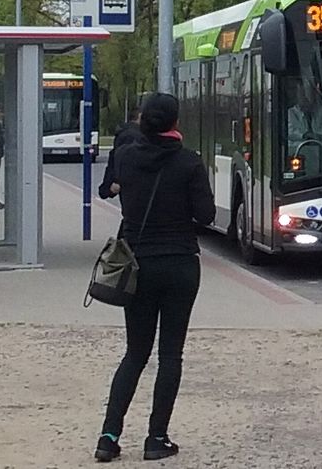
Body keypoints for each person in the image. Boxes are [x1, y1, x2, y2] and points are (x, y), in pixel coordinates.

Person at [95, 92, 215, 463]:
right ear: (176, 122)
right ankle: (156, 437)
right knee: (170, 354)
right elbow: (206, 214)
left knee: (135, 352)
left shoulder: (127, 157)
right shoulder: (189, 163)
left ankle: (109, 436)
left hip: (138, 264)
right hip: (179, 264)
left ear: (142, 119)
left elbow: (112, 189)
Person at [98, 107, 142, 200]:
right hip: (134, 188)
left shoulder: (123, 133)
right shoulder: (134, 135)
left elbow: (114, 160)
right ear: (140, 117)